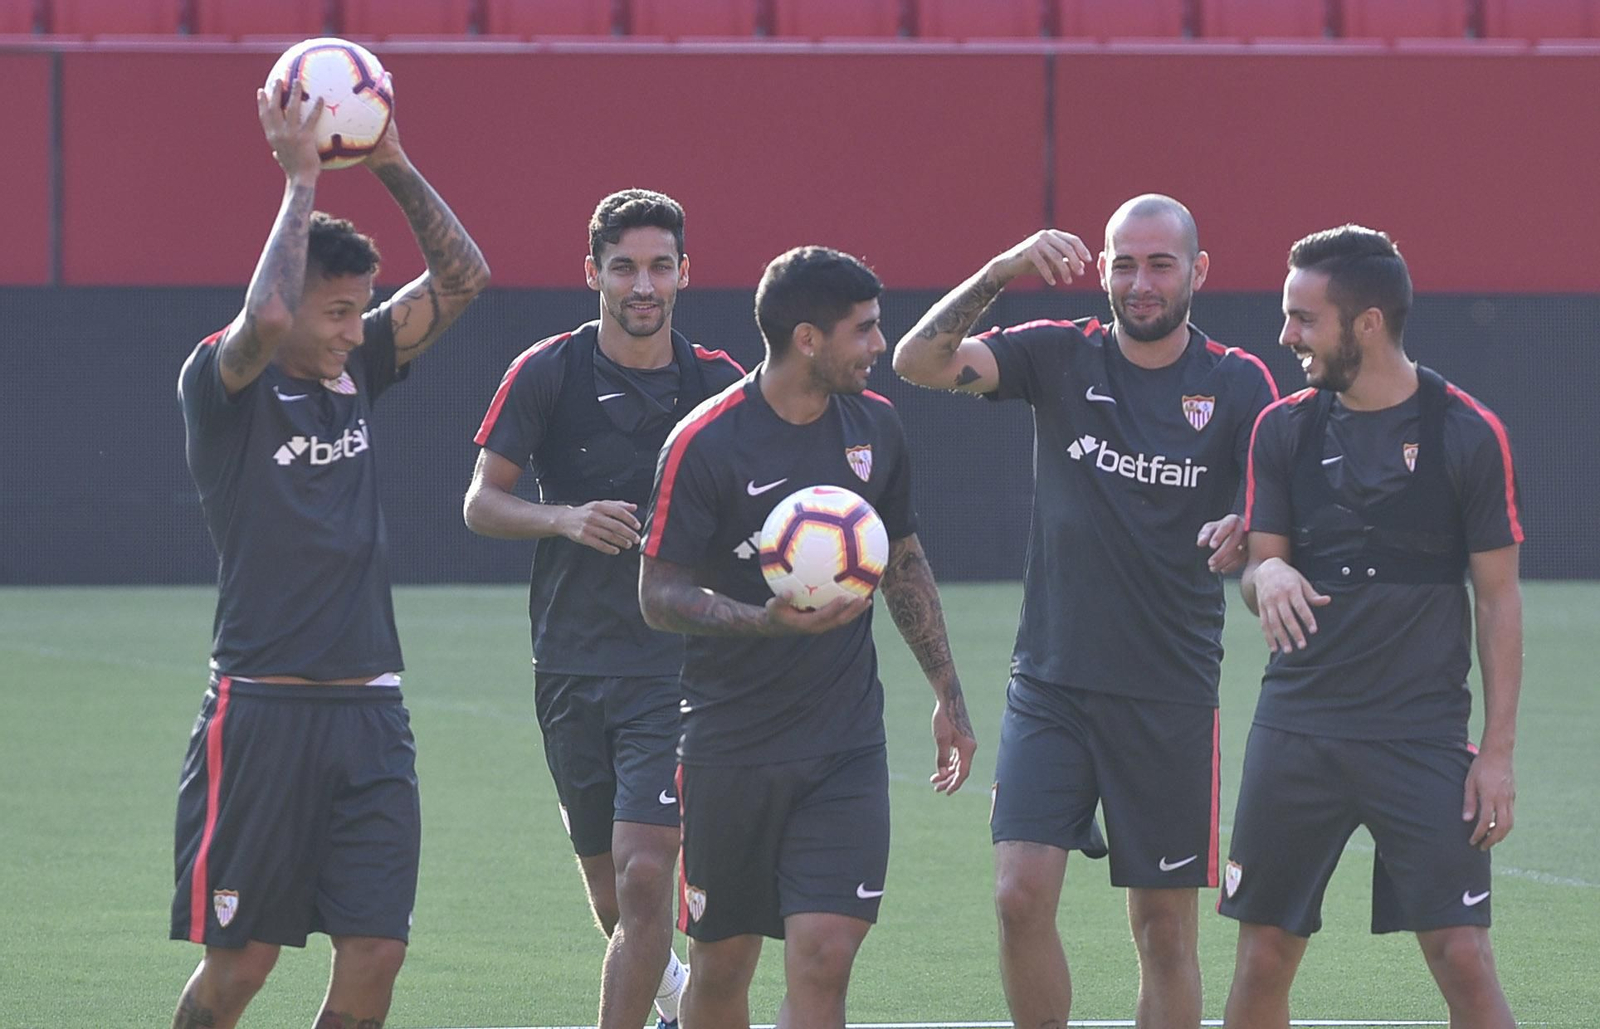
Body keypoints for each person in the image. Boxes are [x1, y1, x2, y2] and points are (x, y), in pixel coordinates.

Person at [893, 194, 1279, 1028]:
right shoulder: (1059, 354)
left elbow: (1279, 504)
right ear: (1100, 268)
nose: (1141, 283)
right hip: (1051, 684)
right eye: (1124, 264)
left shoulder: (1238, 382)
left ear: (1198, 271)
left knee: (1164, 931)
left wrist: (1249, 524)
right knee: (1017, 896)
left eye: (1160, 264)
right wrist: (1002, 269)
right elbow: (916, 361)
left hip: (1169, 693)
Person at [170, 78, 489, 1029]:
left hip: (371, 714)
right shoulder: (222, 384)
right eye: (338, 312)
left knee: (377, 951)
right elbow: (267, 322)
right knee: (242, 964)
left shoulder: (358, 369)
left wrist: (389, 159)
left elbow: (465, 278)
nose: (357, 331)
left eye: (364, 310)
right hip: (262, 712)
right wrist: (300, 179)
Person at [638, 246, 978, 1029]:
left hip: (843, 747)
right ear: (808, 339)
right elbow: (657, 595)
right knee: (722, 967)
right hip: (730, 749)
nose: (880, 345)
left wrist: (948, 695)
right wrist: (762, 621)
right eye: (865, 329)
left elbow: (904, 563)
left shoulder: (876, 426)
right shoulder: (705, 442)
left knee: (824, 955)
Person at [1219, 226, 1523, 1029]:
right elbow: (1260, 570)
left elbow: (1498, 599)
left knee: (1463, 956)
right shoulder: (1282, 428)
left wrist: (1496, 754)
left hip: (1422, 736)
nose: (1285, 335)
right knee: (1263, 957)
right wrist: (1264, 572)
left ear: (1368, 323)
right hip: (1298, 729)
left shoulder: (1468, 432)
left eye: (1302, 318)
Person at [463, 189, 744, 1029]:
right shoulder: (547, 370)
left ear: (685, 272)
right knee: (613, 894)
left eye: (659, 266)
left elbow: (762, 503)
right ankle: (680, 1000)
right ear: (592, 273)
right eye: (624, 267)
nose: (643, 285)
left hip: (677, 669)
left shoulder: (721, 383)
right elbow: (481, 502)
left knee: (648, 873)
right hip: (571, 665)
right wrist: (565, 518)